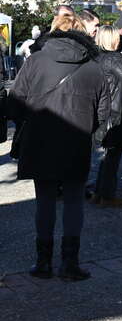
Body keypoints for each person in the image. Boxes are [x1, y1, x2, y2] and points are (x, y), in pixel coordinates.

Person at [8, 14, 110, 280]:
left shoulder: (36, 60)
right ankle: (69, 263)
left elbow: (15, 103)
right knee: (74, 201)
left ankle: (43, 263)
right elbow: (104, 111)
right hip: (76, 141)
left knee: (44, 201)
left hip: (39, 139)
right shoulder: (94, 66)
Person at [92, 25, 122, 207]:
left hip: (101, 109)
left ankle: (99, 192)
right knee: (113, 155)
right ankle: (107, 196)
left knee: (107, 155)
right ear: (113, 39)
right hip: (115, 111)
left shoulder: (95, 57)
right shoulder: (114, 59)